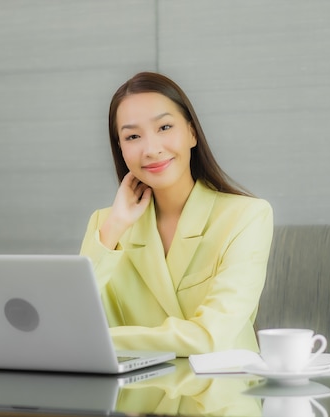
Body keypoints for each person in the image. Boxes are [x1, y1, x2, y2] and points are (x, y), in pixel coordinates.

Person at [80, 72, 273, 357]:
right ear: (120, 149)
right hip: (133, 397)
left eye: (165, 127)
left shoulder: (247, 216)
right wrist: (116, 226)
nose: (152, 149)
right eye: (132, 136)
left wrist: (101, 340)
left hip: (221, 395)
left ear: (192, 133)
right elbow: (67, 322)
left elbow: (209, 337)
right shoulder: (105, 225)